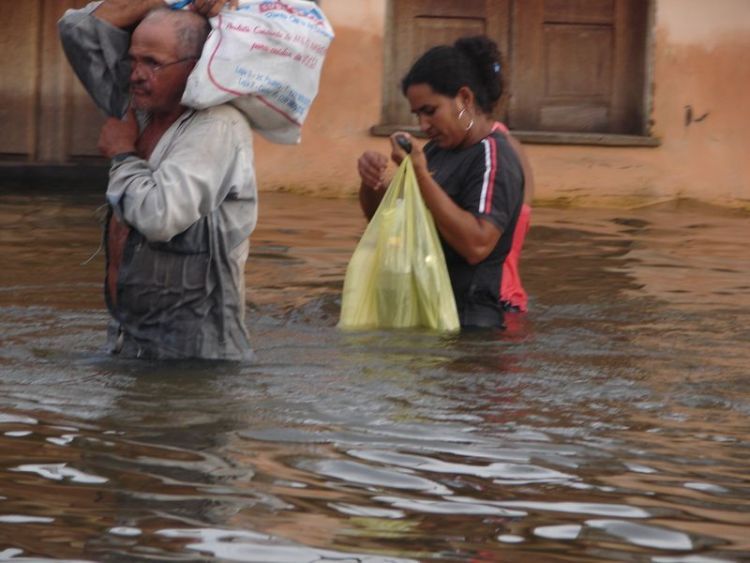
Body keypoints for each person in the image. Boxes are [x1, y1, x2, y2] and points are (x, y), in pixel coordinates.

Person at [58, 0, 257, 361]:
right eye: (132, 60)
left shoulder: (217, 126)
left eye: (152, 63)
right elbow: (77, 29)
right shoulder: (136, 109)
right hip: (128, 343)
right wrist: (171, 0)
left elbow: (159, 216)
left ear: (196, 68)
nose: (135, 74)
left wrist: (122, 155)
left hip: (196, 361)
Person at [357, 36, 527, 329]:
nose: (423, 125)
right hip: (428, 314)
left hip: (470, 329)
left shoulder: (493, 156)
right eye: (417, 114)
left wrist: (421, 175)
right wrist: (371, 182)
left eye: (430, 110)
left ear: (464, 99)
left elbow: (477, 245)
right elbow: (383, 220)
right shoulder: (436, 152)